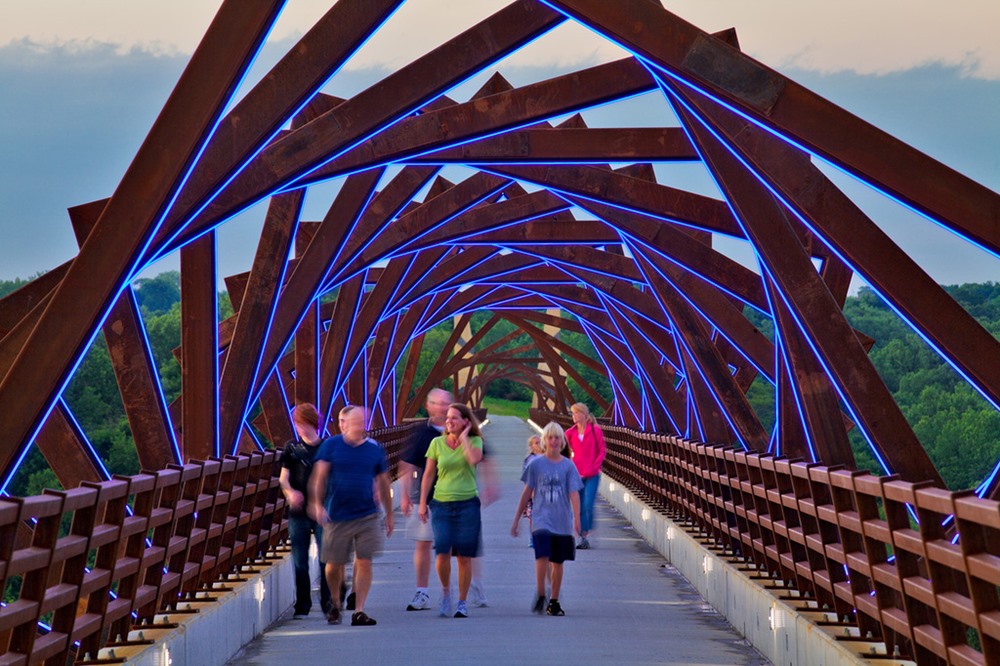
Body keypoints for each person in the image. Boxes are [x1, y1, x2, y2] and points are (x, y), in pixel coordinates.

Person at [310, 405, 394, 626]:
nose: (359, 426)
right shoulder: (331, 446)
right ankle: (335, 601)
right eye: (354, 422)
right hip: (338, 514)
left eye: (362, 421)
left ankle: (359, 610)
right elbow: (319, 477)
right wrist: (317, 505)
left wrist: (389, 512)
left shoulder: (374, 448)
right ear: (343, 424)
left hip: (367, 514)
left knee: (365, 560)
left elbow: (384, 481)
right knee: (333, 564)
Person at [418, 403, 484, 618]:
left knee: (464, 556)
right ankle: (446, 592)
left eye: (455, 417)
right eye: (448, 417)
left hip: (468, 504)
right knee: (442, 552)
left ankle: (462, 602)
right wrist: (421, 503)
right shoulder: (436, 443)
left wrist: (463, 437)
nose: (449, 421)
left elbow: (473, 459)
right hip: (441, 503)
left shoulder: (475, 441)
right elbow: (428, 474)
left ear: (466, 421)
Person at [511, 421, 582, 616]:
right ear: (544, 441)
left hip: (561, 521)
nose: (553, 441)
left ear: (562, 441)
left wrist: (577, 519)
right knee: (541, 554)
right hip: (541, 518)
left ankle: (554, 600)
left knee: (557, 562)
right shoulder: (536, 465)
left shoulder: (568, 466)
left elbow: (574, 494)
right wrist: (517, 519)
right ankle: (541, 592)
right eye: (550, 437)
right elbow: (527, 492)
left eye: (557, 437)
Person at [399, 388, 452, 611]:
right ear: (428, 406)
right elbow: (407, 464)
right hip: (426, 499)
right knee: (423, 544)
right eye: (436, 403)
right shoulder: (421, 433)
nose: (441, 407)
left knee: (446, 549)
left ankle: (447, 593)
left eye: (445, 403)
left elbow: (479, 457)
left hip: (455, 499)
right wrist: (404, 495)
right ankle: (422, 591)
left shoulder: (460, 428)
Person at [279, 403, 333, 618]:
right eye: (296, 424)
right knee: (299, 560)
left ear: (312, 423)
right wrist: (290, 493)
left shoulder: (328, 447)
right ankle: (302, 604)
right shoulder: (291, 448)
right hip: (298, 512)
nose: (298, 428)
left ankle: (328, 601)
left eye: (301, 423)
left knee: (325, 559)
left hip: (322, 511)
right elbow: (283, 479)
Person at [566, 402, 605, 549]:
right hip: (577, 475)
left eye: (576, 413)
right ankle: (583, 536)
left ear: (583, 414)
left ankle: (587, 529)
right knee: (579, 506)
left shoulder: (595, 431)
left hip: (592, 474)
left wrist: (593, 467)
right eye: (572, 413)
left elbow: (601, 451)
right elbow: (564, 451)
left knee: (588, 503)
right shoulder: (570, 433)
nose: (573, 416)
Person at [521, 435, 544, 547]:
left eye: (540, 442)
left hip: (544, 492)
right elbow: (526, 478)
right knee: (532, 517)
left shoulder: (547, 457)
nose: (539, 445)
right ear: (531, 446)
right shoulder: (530, 459)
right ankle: (532, 537)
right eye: (536, 443)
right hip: (532, 492)